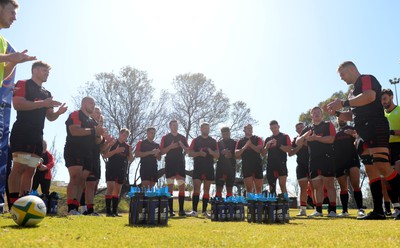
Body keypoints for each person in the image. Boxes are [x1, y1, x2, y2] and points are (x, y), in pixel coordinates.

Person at [327, 61, 400, 220]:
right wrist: (337, 113)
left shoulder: (366, 79)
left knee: (383, 166)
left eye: (343, 74)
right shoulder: (351, 93)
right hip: (362, 132)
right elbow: (352, 115)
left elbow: (370, 96)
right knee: (371, 171)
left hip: (376, 126)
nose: (341, 78)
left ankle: (397, 206)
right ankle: (378, 211)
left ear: (352, 69)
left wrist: (344, 103)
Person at [8, 61, 67, 207]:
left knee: (30, 170)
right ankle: (13, 203)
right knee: (19, 167)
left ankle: (24, 203)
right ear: (34, 70)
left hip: (37, 135)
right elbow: (18, 104)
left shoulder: (47, 93)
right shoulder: (23, 83)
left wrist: (58, 113)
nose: (47, 74)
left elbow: (50, 117)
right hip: (23, 131)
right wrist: (42, 103)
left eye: (48, 72)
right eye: (44, 71)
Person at [64, 97, 104, 215]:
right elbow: (74, 131)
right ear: (83, 103)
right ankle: (71, 208)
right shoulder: (76, 114)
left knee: (82, 181)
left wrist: (99, 135)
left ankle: (76, 208)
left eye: (94, 103)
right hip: (74, 150)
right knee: (75, 177)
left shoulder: (93, 121)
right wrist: (94, 131)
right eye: (90, 103)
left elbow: (98, 141)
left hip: (88, 154)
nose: (93, 105)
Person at [297, 107, 337, 217]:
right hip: (313, 160)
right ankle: (318, 210)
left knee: (329, 184)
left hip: (327, 157)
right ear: (311, 116)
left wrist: (315, 138)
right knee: (316, 185)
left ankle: (332, 210)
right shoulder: (308, 129)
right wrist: (306, 136)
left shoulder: (328, 124)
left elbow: (331, 139)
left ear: (322, 115)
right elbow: (298, 142)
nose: (316, 114)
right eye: (314, 113)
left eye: (318, 112)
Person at [0, 0, 36, 85]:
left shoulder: (3, 42)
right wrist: (9, 57)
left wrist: (14, 61)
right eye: (12, 13)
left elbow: (2, 75)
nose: (15, 18)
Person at [334, 119, 364, 217]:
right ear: (337, 120)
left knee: (356, 185)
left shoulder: (352, 129)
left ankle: (360, 209)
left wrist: (354, 134)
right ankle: (344, 211)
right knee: (343, 188)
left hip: (352, 159)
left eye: (343, 118)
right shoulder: (335, 132)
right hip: (339, 162)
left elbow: (360, 139)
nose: (341, 120)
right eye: (339, 119)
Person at [188, 122, 219, 217]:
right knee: (196, 188)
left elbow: (217, 156)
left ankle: (204, 211)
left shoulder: (213, 141)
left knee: (207, 189)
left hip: (209, 167)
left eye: (207, 128)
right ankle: (194, 211)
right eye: (204, 128)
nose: (206, 129)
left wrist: (211, 152)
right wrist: (199, 154)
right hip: (198, 167)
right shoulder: (195, 140)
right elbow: (189, 153)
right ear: (201, 129)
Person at [160, 120, 189, 217]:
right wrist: (171, 147)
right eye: (173, 125)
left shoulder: (182, 137)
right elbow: (162, 151)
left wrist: (182, 145)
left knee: (181, 186)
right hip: (170, 163)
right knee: (170, 187)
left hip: (180, 163)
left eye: (176, 125)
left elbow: (188, 151)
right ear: (170, 126)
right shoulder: (165, 137)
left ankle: (181, 210)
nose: (175, 126)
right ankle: (171, 210)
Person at [104, 128, 133, 217]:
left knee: (117, 190)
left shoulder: (127, 146)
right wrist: (116, 151)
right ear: (120, 133)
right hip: (112, 167)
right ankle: (108, 211)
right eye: (124, 135)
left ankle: (115, 211)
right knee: (110, 188)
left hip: (121, 169)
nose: (125, 137)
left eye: (126, 136)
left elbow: (130, 159)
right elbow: (105, 155)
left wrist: (131, 152)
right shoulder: (113, 143)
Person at [381, 88, 400, 218]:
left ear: (392, 97)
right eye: (381, 100)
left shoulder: (399, 110)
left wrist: (391, 132)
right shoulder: (381, 115)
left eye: (385, 99)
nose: (383, 102)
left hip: (398, 146)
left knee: (397, 175)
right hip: (386, 148)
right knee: (387, 179)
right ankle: (396, 208)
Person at [262, 120, 291, 198]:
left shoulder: (285, 136)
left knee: (282, 185)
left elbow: (289, 149)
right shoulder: (268, 139)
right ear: (270, 128)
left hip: (281, 163)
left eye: (275, 127)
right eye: (272, 128)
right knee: (271, 186)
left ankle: (285, 203)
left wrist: (278, 144)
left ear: (278, 126)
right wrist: (266, 147)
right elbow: (263, 154)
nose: (274, 129)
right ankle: (272, 205)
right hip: (271, 164)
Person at [288, 122, 311, 216]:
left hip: (312, 163)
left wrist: (304, 142)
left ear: (304, 127)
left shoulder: (310, 136)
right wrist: (299, 146)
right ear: (296, 130)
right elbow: (290, 153)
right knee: (303, 188)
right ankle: (303, 210)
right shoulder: (294, 140)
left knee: (314, 187)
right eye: (298, 128)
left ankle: (318, 209)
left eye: (302, 127)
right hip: (301, 165)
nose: (300, 128)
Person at [235, 124, 263, 194]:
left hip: (257, 164)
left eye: (251, 128)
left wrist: (250, 145)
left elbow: (259, 150)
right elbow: (236, 154)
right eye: (248, 128)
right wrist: (245, 147)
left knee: (259, 188)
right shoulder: (240, 141)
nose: (249, 129)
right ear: (244, 130)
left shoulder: (257, 139)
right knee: (249, 188)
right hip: (246, 165)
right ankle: (250, 202)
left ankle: (258, 203)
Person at [215, 127, 237, 198]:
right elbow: (215, 155)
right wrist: (221, 152)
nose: (225, 135)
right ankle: (217, 204)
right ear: (222, 134)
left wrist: (231, 154)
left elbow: (238, 155)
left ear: (229, 133)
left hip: (231, 167)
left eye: (227, 133)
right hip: (220, 166)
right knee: (219, 187)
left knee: (229, 188)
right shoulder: (218, 143)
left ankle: (229, 204)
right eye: (224, 134)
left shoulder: (234, 143)